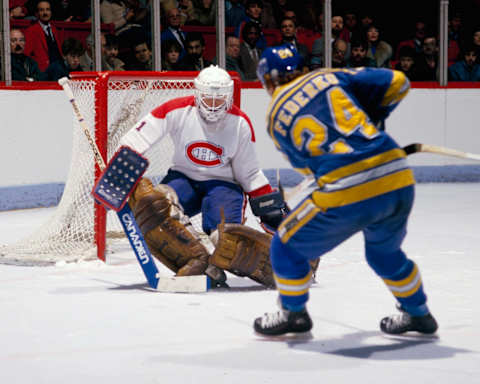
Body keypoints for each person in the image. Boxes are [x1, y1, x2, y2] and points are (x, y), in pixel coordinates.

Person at [253, 44, 438, 336]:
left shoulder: (274, 117)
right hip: (396, 177)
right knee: (384, 255)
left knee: (285, 246)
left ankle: (293, 313)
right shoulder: (329, 76)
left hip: (347, 190)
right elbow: (399, 83)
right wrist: (373, 115)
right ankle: (419, 313)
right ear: (301, 67)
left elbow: (308, 170)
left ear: (267, 81)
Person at [119, 65, 279, 284]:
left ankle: (282, 262)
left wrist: (270, 209)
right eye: (208, 99)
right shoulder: (177, 110)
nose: (213, 106)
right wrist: (124, 163)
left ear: (229, 97)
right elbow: (137, 138)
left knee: (227, 240)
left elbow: (248, 172)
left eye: (219, 100)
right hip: (182, 178)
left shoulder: (240, 123)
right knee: (157, 207)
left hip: (223, 184)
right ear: (197, 94)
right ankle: (197, 261)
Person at [24, 0, 63, 72]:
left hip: (59, 69)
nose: (45, 13)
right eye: (41, 10)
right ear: (37, 13)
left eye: (47, 10)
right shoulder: (31, 31)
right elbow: (26, 55)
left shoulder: (55, 29)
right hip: (43, 72)